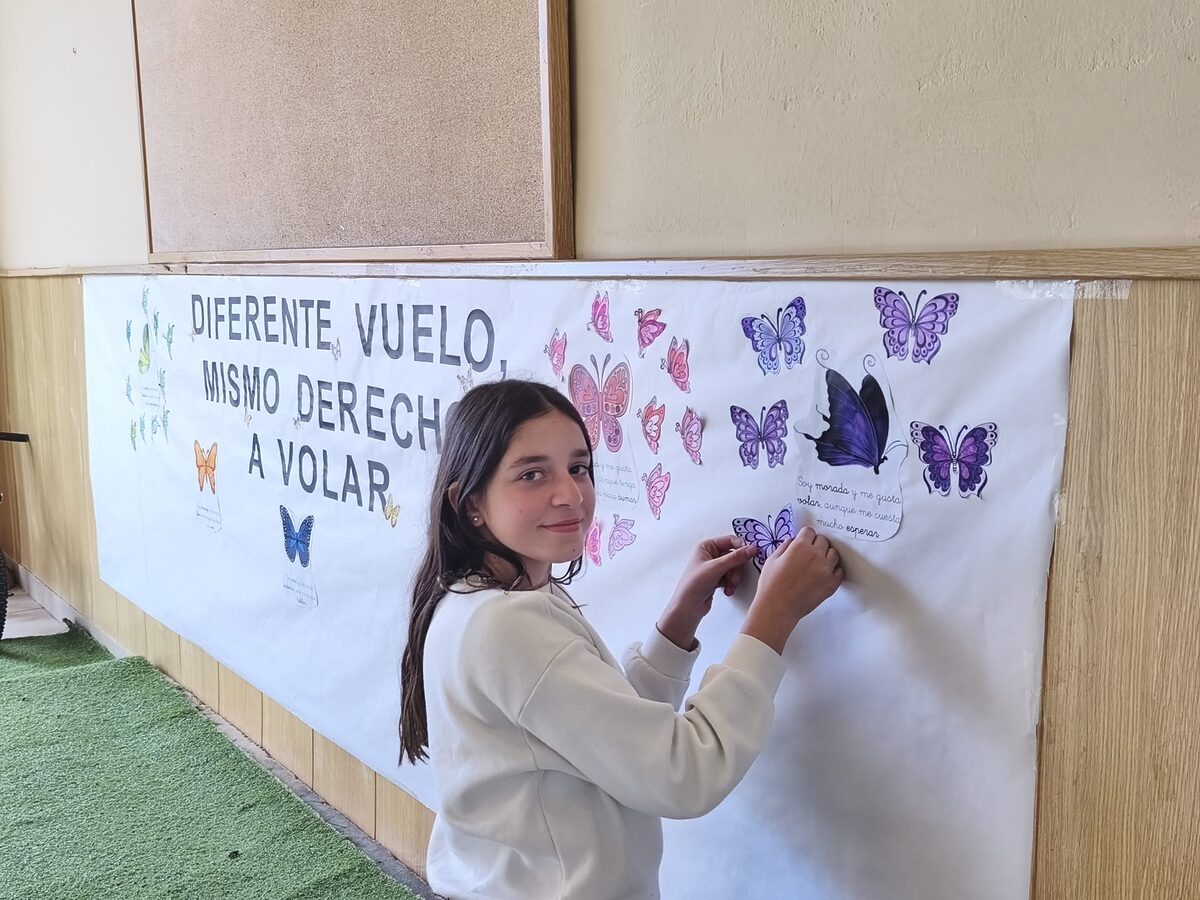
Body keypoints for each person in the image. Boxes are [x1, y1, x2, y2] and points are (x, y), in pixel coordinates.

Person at [400, 379, 844, 899]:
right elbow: (684, 772)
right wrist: (774, 616)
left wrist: (677, 625)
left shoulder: (482, 597)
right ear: (470, 502)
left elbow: (605, 738)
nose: (570, 494)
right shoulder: (506, 626)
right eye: (531, 474)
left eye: (578, 467)